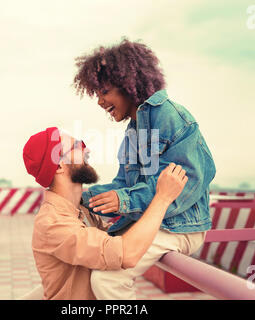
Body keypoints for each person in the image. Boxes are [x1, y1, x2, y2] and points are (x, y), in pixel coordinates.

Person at [73, 38, 216, 299]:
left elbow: (188, 180)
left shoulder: (171, 116)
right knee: (82, 267)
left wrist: (124, 199)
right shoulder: (133, 130)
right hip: (149, 224)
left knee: (107, 279)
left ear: (129, 84)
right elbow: (123, 185)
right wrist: (80, 199)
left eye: (104, 92)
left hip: (180, 227)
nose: (99, 101)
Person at [21, 127, 195, 300]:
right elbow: (126, 254)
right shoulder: (53, 223)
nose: (87, 149)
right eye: (77, 146)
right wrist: (163, 198)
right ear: (59, 165)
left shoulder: (80, 211)